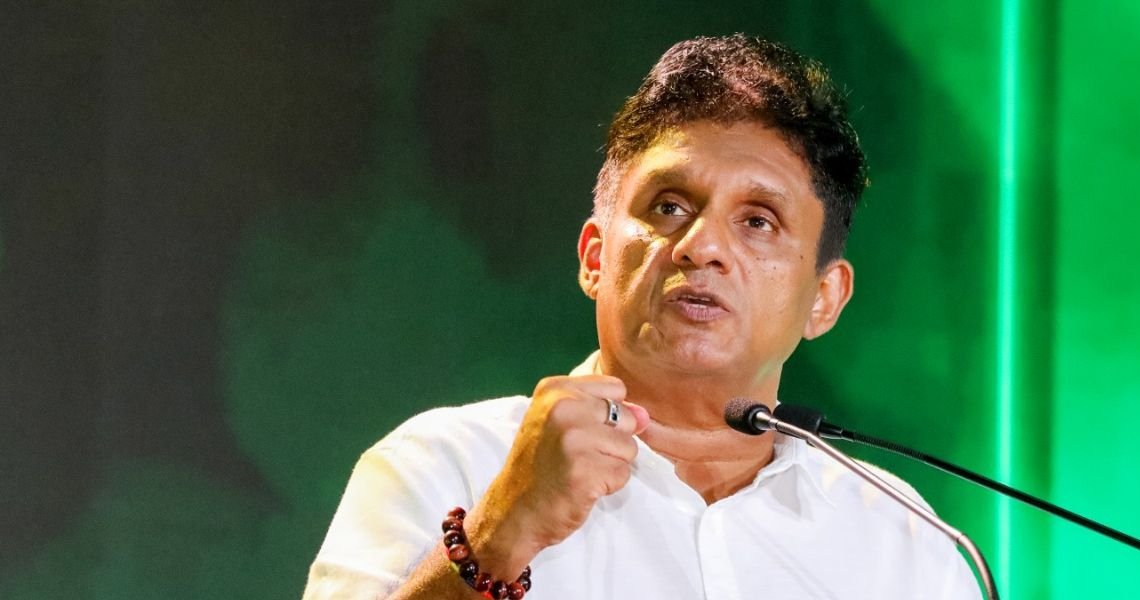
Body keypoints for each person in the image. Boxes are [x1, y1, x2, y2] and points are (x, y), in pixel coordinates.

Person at [302, 34, 979, 600]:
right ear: (595, 257)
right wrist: (498, 537)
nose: (702, 247)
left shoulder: (903, 542)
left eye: (758, 221)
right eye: (669, 207)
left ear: (824, 298)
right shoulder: (444, 467)